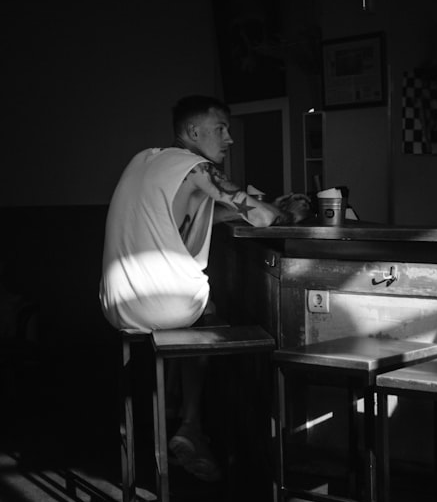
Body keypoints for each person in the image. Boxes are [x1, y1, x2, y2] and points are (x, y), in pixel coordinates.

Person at [99, 95, 311, 482]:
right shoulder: (198, 167)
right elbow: (262, 218)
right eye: (221, 129)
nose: (229, 138)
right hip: (160, 306)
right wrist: (286, 211)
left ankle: (175, 410)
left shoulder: (145, 160)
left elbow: (196, 217)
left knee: (194, 314)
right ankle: (192, 427)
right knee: (209, 311)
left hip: (115, 303)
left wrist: (265, 206)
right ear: (194, 132)